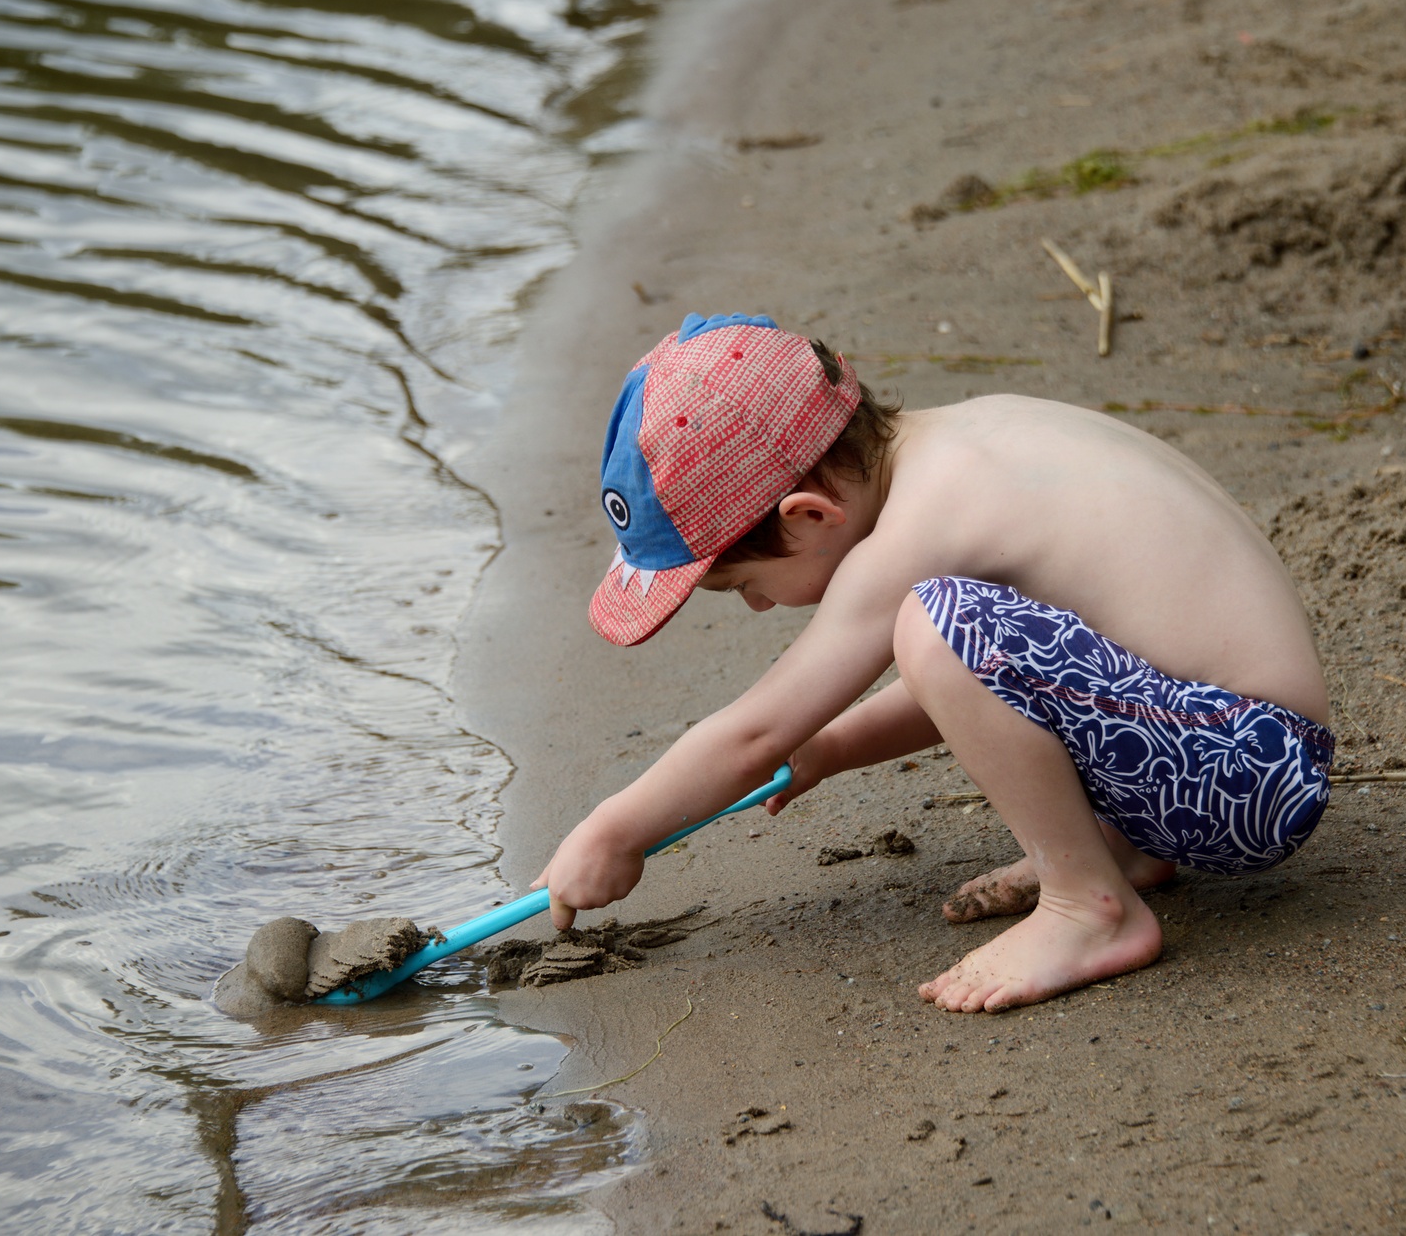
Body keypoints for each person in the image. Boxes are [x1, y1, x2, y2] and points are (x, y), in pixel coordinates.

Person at [531, 313, 1333, 1013]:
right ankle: (1126, 851)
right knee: (948, 629)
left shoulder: (927, 520)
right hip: (1234, 750)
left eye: (745, 584)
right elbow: (1007, 673)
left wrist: (615, 832)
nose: (758, 607)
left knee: (931, 623)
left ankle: (1089, 910)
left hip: (1244, 774)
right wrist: (830, 748)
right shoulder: (970, 437)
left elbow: (757, 731)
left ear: (809, 514)